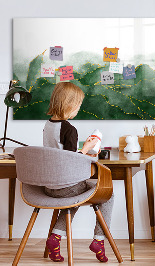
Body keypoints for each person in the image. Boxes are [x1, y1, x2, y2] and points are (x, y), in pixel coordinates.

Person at [43, 82, 113, 263]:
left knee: (73, 197)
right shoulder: (69, 129)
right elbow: (71, 161)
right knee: (108, 194)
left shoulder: (48, 125)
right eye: (78, 105)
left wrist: (82, 150)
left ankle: (55, 238)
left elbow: (60, 154)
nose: (78, 109)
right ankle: (99, 240)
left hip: (49, 186)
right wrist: (87, 148)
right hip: (66, 186)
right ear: (70, 105)